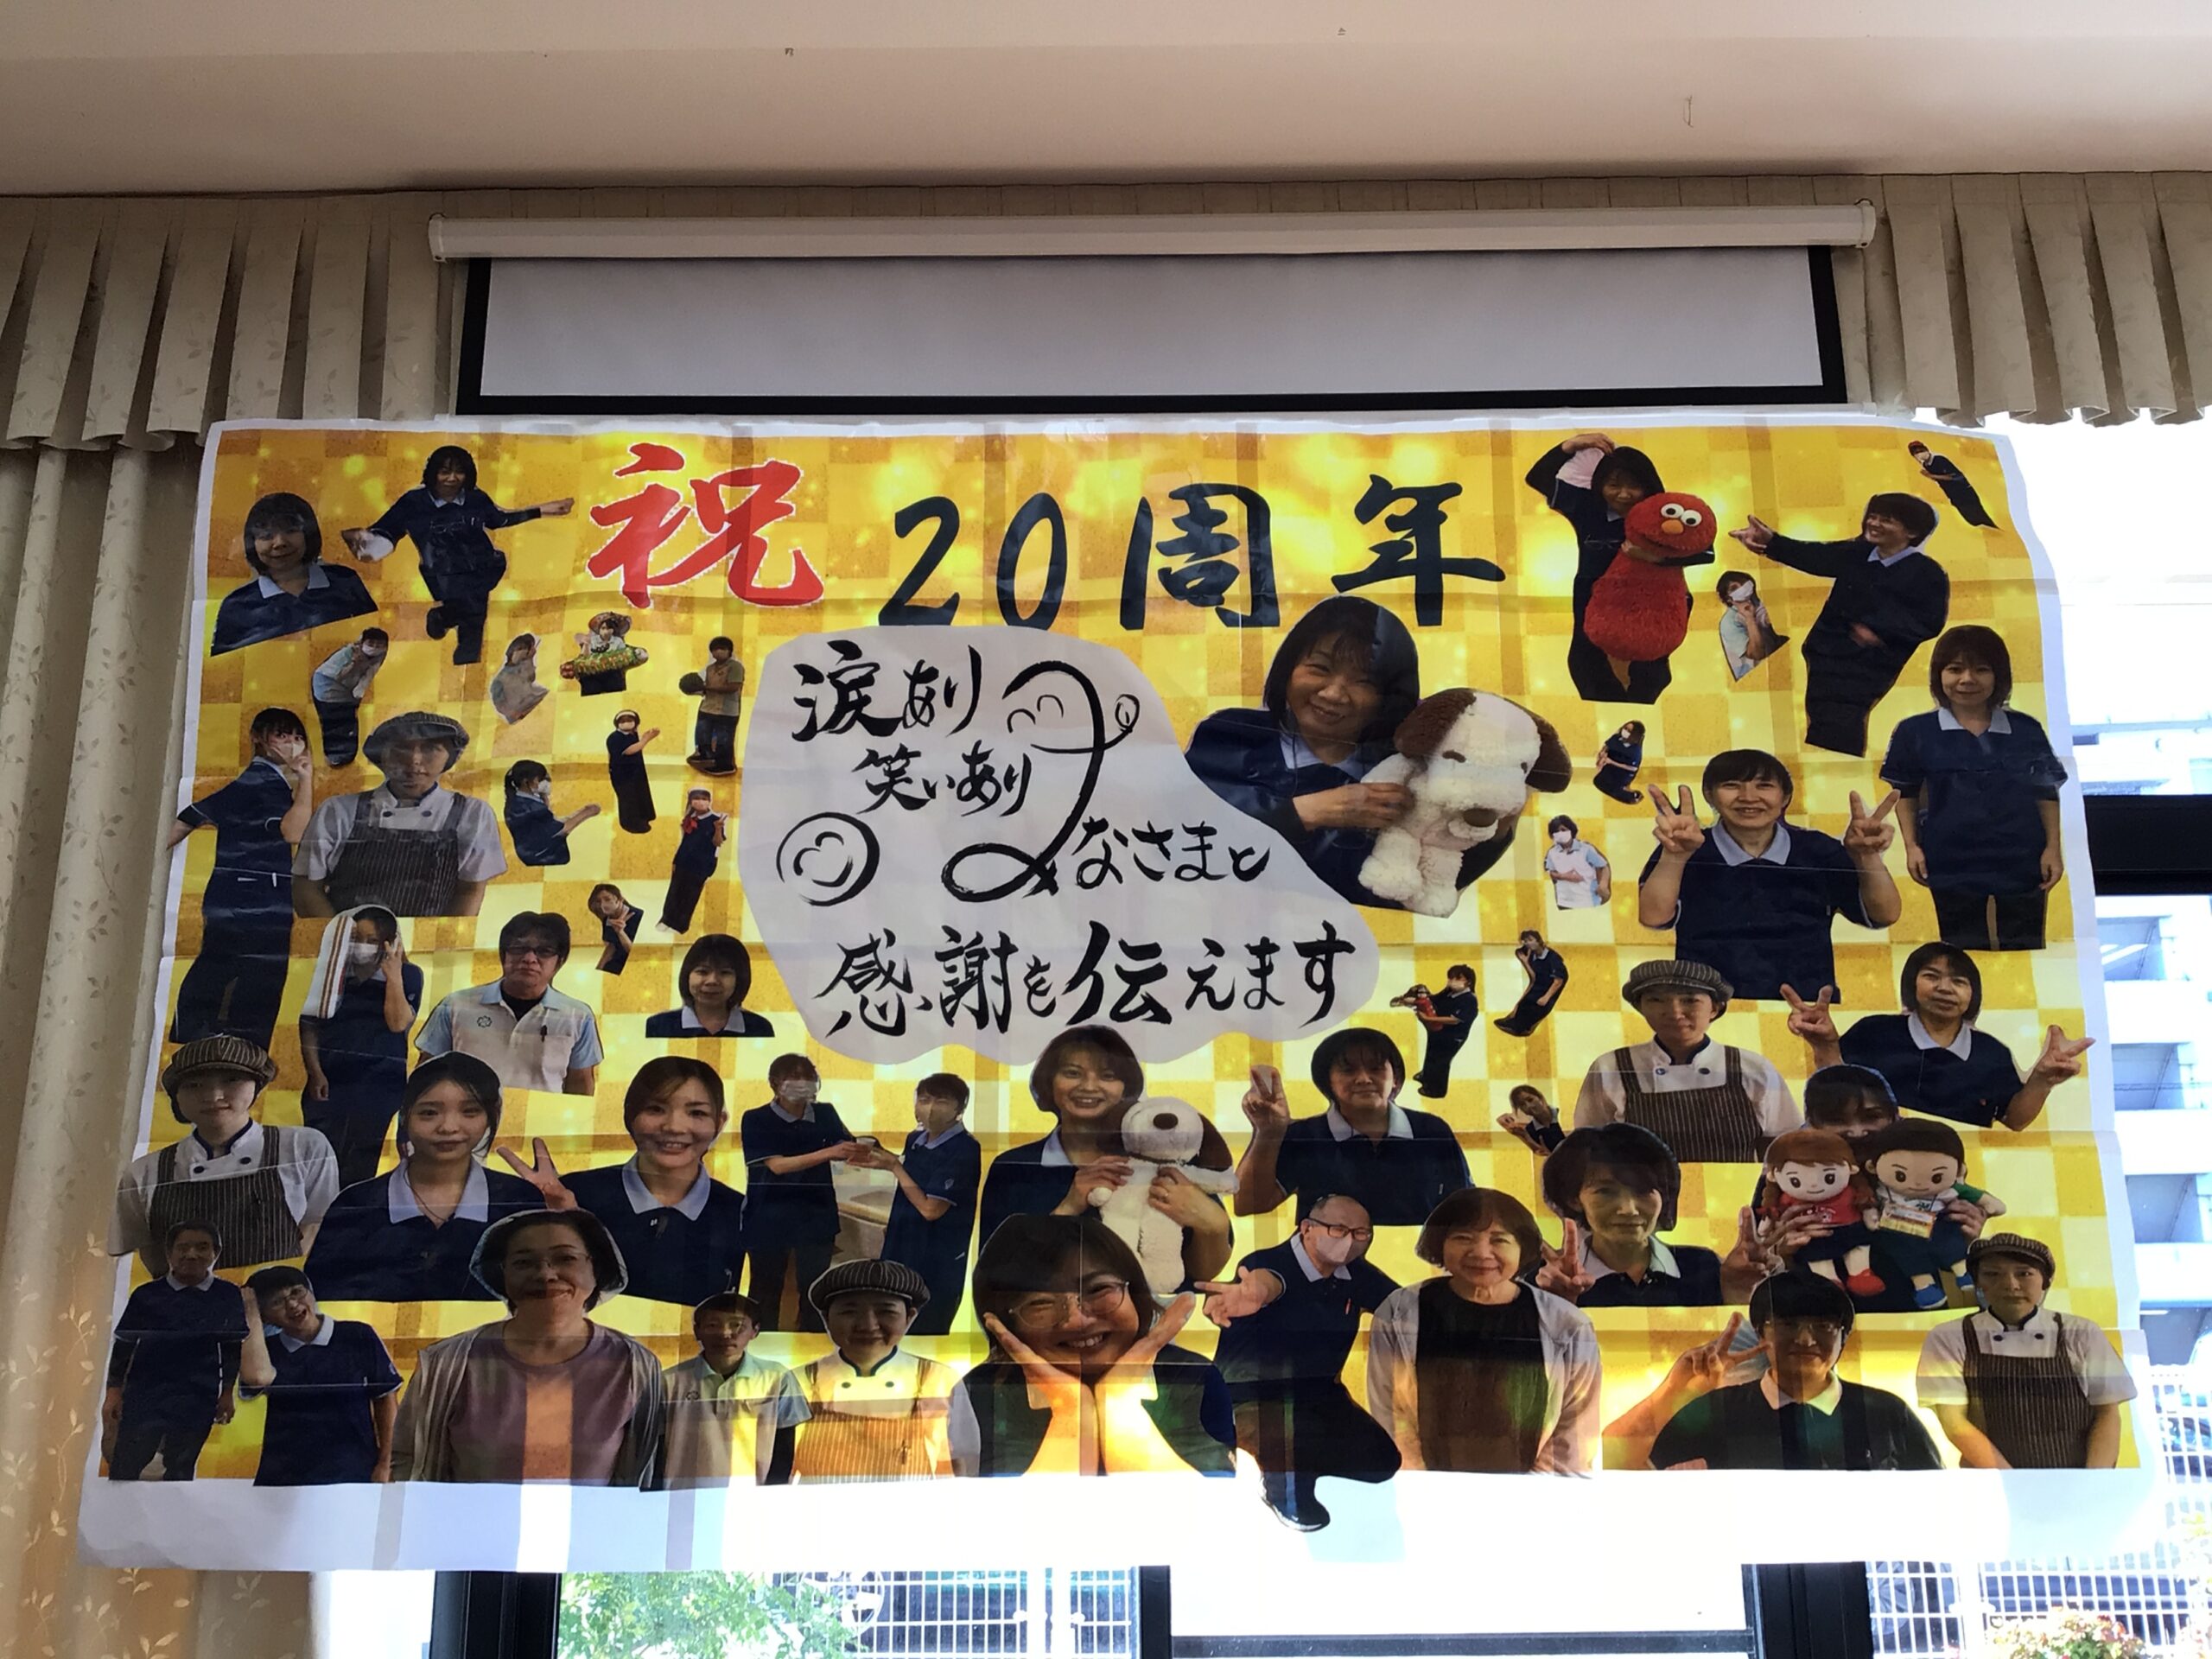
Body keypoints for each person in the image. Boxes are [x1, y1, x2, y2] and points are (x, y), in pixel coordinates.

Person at [1185, 595, 1508, 909]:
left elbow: (1436, 880)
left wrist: (1492, 826)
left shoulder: (1411, 770)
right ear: (1289, 667)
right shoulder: (1230, 736)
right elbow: (1184, 832)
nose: (1333, 693)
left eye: (1364, 682)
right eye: (1320, 668)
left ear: (1390, 695)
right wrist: (1309, 811)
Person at [388, 1208, 663, 1485]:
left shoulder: (634, 1365)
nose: (545, 1274)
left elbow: (642, 1478)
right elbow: (407, 1467)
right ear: (502, 1273)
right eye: (524, 1263)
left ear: (597, 1269)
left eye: (565, 1258)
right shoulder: (446, 1365)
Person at [953, 1216, 1235, 1478]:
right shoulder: (982, 1394)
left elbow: (1205, 1507)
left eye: (1098, 1290)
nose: (1077, 1319)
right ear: (1002, 1324)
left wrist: (1118, 1400)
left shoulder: (1189, 1377)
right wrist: (1070, 1408)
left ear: (1134, 1291)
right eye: (1041, 1303)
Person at [1637, 749, 1903, 1004]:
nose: (1748, 797)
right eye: (1731, 785)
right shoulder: (1686, 846)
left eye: (1764, 786)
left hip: (1807, 1008)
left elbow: (1884, 915)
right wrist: (1675, 856)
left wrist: (1868, 857)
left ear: (1785, 797)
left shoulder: (1819, 850)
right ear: (1709, 795)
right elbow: (1653, 917)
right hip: (1707, 1009)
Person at [1365, 1187, 1601, 1473]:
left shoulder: (1569, 1326)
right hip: (1427, 1492)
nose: (1481, 1253)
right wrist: (1425, 1489)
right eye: (1463, 1238)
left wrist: (1530, 1493)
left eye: (1499, 1240)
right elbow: (1391, 1417)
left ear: (1523, 1247)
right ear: (1439, 1243)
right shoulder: (1397, 1314)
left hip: (1534, 1495)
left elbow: (1574, 1436)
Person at [1198, 1194, 1400, 1529]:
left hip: (1320, 1395)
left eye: (1361, 1234)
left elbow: (1401, 1306)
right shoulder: (1267, 1262)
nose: (1349, 1241)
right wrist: (1255, 1294)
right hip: (1252, 1396)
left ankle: (1294, 1460)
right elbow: (1267, 1283)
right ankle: (1280, 1482)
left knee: (1381, 1462)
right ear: (1306, 1228)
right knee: (1293, 1437)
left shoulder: (1356, 1274)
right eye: (1338, 1230)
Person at [978, 1025, 1235, 1287]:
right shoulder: (1013, 1167)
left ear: (1126, 1088)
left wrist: (1213, 1225)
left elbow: (1200, 1275)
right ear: (1049, 1082)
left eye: (1108, 1076)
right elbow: (994, 1274)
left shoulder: (1166, 1157)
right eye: (1072, 1073)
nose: (1089, 1086)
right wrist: (1068, 1208)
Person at [1622, 1271, 1943, 1471]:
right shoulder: (1716, 1409)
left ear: (1844, 1337)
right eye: (1788, 1325)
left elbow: (1939, 1502)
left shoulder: (1887, 1412)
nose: (1805, 1339)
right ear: (1760, 1333)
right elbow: (1626, 1476)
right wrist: (1675, 1392)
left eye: (1824, 1326)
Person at [1881, 625, 2067, 952]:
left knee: (2025, 948)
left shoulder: (2026, 729)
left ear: (1999, 676)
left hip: (2022, 857)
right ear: (1939, 675)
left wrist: (2053, 848)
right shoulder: (1914, 732)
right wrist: (1912, 847)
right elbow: (1906, 793)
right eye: (1955, 669)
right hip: (1949, 858)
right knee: (1959, 950)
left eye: (1981, 669)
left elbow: (2046, 792)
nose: (1967, 679)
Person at [303, 1054, 541, 1302]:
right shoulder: (356, 1204)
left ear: (492, 1115)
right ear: (405, 1115)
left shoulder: (520, 1201)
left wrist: (562, 1214)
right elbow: (322, 1301)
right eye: (429, 1113)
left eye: (470, 1112)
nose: (448, 1127)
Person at [1783, 944, 2093, 1132]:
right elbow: (1835, 1094)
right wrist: (1825, 1045)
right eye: (1932, 977)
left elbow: (2014, 1120)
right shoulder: (1873, 1031)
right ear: (1912, 985)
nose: (1945, 988)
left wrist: (2041, 1080)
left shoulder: (1991, 1053)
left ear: (1972, 995)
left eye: (1959, 981)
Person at [1732, 493, 1950, 757]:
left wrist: (1878, 631)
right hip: (1824, 655)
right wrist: (1771, 541)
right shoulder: (1859, 553)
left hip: (1867, 666)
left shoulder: (1927, 573)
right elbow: (1815, 556)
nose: (1874, 523)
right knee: (1820, 719)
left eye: (1886, 520)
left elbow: (1929, 621)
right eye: (1872, 516)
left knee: (1841, 727)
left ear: (1912, 532)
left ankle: (1840, 771)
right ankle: (1825, 767)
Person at [111, 1037, 340, 1275]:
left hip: (275, 1296)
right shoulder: (144, 1172)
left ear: (257, 1086)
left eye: (231, 1080)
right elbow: (149, 1252)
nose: (213, 1096)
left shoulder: (302, 1147)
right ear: (176, 1096)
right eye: (194, 1085)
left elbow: (317, 1225)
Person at [1916, 1234, 2134, 1470]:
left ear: (2045, 1281)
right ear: (1978, 1282)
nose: (2010, 1285)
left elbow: (2107, 1412)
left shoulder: (2081, 1332)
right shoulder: (1949, 1336)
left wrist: (2095, 1480)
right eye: (1992, 1274)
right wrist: (2015, 1482)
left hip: (2077, 1481)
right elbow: (1954, 1422)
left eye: (2024, 1273)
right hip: (1992, 1482)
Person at [341, 445, 574, 666]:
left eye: (459, 472)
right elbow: (386, 529)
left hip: (480, 568)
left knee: (473, 628)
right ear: (433, 474)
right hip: (443, 574)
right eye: (444, 472)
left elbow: (499, 518)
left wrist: (541, 510)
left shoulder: (475, 497)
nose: (452, 478)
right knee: (468, 614)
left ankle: (463, 658)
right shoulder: (413, 502)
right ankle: (444, 617)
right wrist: (367, 542)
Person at [168, 706, 314, 1047]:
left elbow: (194, 813)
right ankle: (237, 1043)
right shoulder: (262, 783)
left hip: (241, 894)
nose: (292, 744)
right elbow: (294, 831)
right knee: (256, 973)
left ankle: (200, 1032)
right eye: (282, 735)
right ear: (258, 739)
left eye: (298, 737)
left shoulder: (262, 781)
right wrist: (307, 780)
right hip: (253, 899)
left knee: (222, 964)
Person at [555, 1057, 750, 1306]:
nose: (674, 1127)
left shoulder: (743, 1215)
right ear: (629, 1115)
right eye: (656, 1109)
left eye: (696, 1113)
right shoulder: (573, 1195)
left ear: (719, 1123)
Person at [1572, 960, 1800, 1165]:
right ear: (1640, 1007)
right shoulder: (1610, 1067)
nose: (1674, 1012)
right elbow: (1591, 1147)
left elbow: (1784, 1145)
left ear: (1715, 1008)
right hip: (1643, 1197)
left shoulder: (1753, 1068)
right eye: (1656, 1000)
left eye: (1690, 1000)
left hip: (1738, 1195)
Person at [1235, 1027, 1470, 1224]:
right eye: (1348, 1070)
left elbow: (1466, 1209)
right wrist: (1268, 1133)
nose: (1364, 1079)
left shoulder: (1431, 1131)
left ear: (1396, 1079)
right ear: (1327, 1081)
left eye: (1376, 1068)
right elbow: (1247, 1205)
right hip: (1324, 1264)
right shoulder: (1304, 1135)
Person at [1534, 1122, 1774, 1306]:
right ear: (1573, 1199)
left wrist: (1737, 1292)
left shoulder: (1703, 1268)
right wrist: (1554, 1306)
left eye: (1644, 1190)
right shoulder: (1549, 1281)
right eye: (1606, 1192)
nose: (1629, 1209)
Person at [292, 711, 505, 918]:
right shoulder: (338, 810)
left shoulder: (473, 814)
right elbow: (306, 888)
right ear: (382, 755)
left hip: (428, 940)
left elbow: (470, 892)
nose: (414, 760)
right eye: (401, 747)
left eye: (431, 748)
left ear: (450, 756)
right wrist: (345, 935)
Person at [1524, 432, 1677, 702]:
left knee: (1650, 670)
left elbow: (1704, 551)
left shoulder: (1667, 514)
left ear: (1649, 487)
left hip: (1649, 600)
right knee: (1586, 663)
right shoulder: (1586, 506)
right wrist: (1571, 445)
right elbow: (1537, 478)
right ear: (1599, 485)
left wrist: (1657, 559)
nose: (1624, 494)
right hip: (1593, 596)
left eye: (1634, 486)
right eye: (1614, 485)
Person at [771, 1261, 957, 1483]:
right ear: (826, 1319)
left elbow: (962, 1463)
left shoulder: (938, 1379)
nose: (868, 1325)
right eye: (849, 1312)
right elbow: (775, 1468)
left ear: (910, 1316)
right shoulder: (797, 1381)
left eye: (885, 1311)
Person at [102, 1220, 248, 1481]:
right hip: (144, 1394)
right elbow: (125, 1344)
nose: (191, 1254)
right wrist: (113, 1393)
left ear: (216, 1252)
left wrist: (227, 1393)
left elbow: (231, 1347)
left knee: (181, 1468)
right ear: (169, 1253)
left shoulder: (227, 1295)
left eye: (202, 1247)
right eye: (183, 1247)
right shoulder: (146, 1295)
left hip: (198, 1395)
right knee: (126, 1464)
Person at [236, 1267, 401, 1485]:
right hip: (283, 1480)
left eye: (297, 1292)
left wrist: (386, 1463)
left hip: (352, 1471)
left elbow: (385, 1398)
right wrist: (249, 1310)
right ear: (265, 1316)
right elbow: (257, 1378)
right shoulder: (265, 1351)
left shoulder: (357, 1335)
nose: (292, 1305)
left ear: (311, 1292)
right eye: (277, 1302)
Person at [297, 905, 423, 1186]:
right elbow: (309, 1026)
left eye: (370, 940)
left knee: (361, 1163)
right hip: (331, 1080)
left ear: (387, 942)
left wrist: (393, 976)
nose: (361, 946)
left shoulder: (409, 974)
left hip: (379, 1084)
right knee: (320, 1159)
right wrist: (315, 1072)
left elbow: (398, 1023)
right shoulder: (331, 972)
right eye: (355, 938)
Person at [414, 911, 602, 1096]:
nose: (529, 959)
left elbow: (580, 1085)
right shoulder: (455, 1006)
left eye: (544, 951)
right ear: (504, 956)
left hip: (540, 1115)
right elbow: (427, 1074)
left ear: (559, 962)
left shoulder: (578, 1017)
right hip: (470, 1114)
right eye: (519, 949)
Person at [741, 1053, 859, 1332]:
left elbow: (846, 1146)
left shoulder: (825, 1113)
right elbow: (778, 1166)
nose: (803, 1083)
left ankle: (812, 1344)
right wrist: (829, 1152)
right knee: (765, 1289)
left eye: (809, 1078)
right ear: (774, 1083)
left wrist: (862, 1148)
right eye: (794, 1078)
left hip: (816, 1215)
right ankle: (761, 1343)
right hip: (768, 1216)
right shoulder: (756, 1118)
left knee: (815, 1290)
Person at [860, 1073, 981, 1336]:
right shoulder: (915, 1139)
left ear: (960, 1109)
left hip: (936, 1258)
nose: (931, 1108)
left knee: (925, 1331)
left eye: (942, 1101)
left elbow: (930, 1209)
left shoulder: (964, 1149)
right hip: (902, 1246)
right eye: (925, 1100)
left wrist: (894, 1166)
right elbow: (912, 1181)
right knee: (890, 1322)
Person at [658, 1293, 803, 1489]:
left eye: (737, 1325)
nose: (725, 1333)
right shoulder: (669, 1381)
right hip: (681, 1494)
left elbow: (784, 1447)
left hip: (749, 1495)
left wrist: (770, 1495)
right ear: (697, 1331)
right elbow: (655, 1447)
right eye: (713, 1325)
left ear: (755, 1330)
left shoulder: (777, 1378)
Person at [210, 492, 377, 655]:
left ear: (308, 535)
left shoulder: (345, 581)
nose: (280, 543)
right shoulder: (237, 605)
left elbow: (376, 632)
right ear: (252, 543)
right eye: (266, 536)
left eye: (290, 531)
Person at [645, 932, 775, 1038]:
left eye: (725, 973)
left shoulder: (759, 1027)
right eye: (702, 972)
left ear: (740, 979)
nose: (712, 981)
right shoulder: (659, 1025)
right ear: (686, 976)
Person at [308, 627, 390, 765]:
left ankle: (342, 754)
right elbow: (339, 676)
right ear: (362, 642)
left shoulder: (380, 656)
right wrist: (354, 662)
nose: (374, 648)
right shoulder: (348, 653)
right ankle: (336, 756)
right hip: (329, 685)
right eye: (371, 643)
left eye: (379, 644)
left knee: (344, 720)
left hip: (346, 690)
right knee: (337, 720)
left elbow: (368, 676)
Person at [502, 759, 599, 868]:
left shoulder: (522, 801)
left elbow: (549, 821)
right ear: (526, 782)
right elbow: (560, 830)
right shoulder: (527, 806)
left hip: (532, 851)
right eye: (541, 779)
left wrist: (545, 798)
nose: (546, 783)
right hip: (540, 854)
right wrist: (586, 813)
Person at [661, 787, 726, 934]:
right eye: (696, 799)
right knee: (674, 892)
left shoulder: (716, 819)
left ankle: (681, 925)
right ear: (690, 801)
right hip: (683, 860)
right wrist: (676, 860)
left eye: (704, 799)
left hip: (701, 864)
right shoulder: (690, 818)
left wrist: (718, 829)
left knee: (690, 894)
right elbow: (684, 841)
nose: (700, 802)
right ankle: (667, 919)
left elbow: (718, 842)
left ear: (709, 801)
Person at [1411, 964, 1478, 1098]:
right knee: (1431, 1053)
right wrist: (1418, 1000)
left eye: (1458, 978)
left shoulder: (1469, 1000)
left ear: (1468, 982)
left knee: (1441, 1061)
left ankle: (1436, 1090)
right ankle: (1426, 1075)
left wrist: (1428, 1018)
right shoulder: (1449, 992)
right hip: (1438, 1030)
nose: (1452, 981)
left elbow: (1455, 1020)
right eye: (1451, 978)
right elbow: (1434, 999)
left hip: (1453, 1036)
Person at [684, 637, 745, 774]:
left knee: (724, 739)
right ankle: (706, 756)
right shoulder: (710, 668)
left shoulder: (735, 667)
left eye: (723, 648)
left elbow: (733, 687)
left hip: (727, 710)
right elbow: (706, 688)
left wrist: (708, 688)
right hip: (707, 707)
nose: (719, 651)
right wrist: (695, 689)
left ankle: (725, 765)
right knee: (702, 733)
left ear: (729, 651)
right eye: (715, 649)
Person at [1908, 440, 1998, 529]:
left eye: (1921, 450)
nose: (1919, 454)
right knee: (1971, 519)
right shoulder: (1926, 465)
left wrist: (1931, 475)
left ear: (1926, 449)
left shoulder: (1939, 459)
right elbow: (1939, 479)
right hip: (1953, 495)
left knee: (1980, 517)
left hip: (1964, 492)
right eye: (1916, 453)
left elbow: (1956, 477)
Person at [1495, 930, 1569, 1038]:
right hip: (1539, 985)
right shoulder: (1532, 956)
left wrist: (1546, 997)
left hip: (1550, 989)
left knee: (1534, 1006)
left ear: (1539, 941)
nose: (1527, 943)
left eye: (1530, 940)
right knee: (1524, 1003)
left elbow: (1558, 981)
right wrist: (1525, 962)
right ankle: (1515, 1023)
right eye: (1525, 941)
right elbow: (1534, 977)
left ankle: (1522, 1027)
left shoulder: (1552, 958)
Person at [1715, 570, 1787, 681]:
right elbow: (1757, 654)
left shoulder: (1758, 602)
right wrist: (1749, 618)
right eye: (1734, 588)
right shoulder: (1729, 622)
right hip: (1754, 678)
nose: (1742, 588)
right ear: (1729, 599)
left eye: (1743, 582)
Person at [563, 611, 647, 695]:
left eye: (609, 628)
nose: (605, 631)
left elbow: (627, 655)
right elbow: (583, 655)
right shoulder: (593, 640)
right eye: (603, 628)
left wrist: (636, 655)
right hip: (592, 677)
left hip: (613, 678)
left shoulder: (618, 642)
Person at [606, 711, 659, 835]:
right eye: (623, 721)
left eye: (629, 720)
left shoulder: (633, 735)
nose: (626, 723)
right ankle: (632, 824)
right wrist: (645, 740)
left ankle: (645, 816)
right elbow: (628, 751)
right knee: (629, 799)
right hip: (623, 775)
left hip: (636, 772)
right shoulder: (614, 738)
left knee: (640, 794)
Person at [1543, 814, 1611, 909]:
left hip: (1588, 901)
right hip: (1565, 903)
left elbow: (1603, 866)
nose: (1560, 833)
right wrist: (1566, 876)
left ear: (1571, 830)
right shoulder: (1552, 853)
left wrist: (1603, 884)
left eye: (1563, 830)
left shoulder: (1585, 849)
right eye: (1556, 831)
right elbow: (1551, 872)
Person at [488, 632, 550, 724]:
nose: (523, 653)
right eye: (521, 649)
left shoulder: (522, 667)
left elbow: (531, 678)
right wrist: (514, 714)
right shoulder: (500, 680)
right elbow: (499, 703)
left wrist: (530, 659)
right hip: (519, 714)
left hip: (532, 703)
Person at [589, 882, 643, 976]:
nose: (603, 905)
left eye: (607, 899)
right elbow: (611, 946)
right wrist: (599, 969)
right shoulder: (607, 919)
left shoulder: (638, 916)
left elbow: (637, 954)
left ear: (620, 899)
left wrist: (620, 932)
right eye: (599, 901)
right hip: (615, 964)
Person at [1592, 720, 1647, 804]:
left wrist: (1612, 762)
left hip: (1623, 772)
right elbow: (1607, 746)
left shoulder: (1635, 751)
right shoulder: (1616, 738)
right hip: (1610, 767)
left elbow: (1632, 768)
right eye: (1625, 728)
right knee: (1598, 782)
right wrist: (1602, 753)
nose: (1625, 731)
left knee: (1612, 787)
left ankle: (1630, 795)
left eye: (1629, 731)